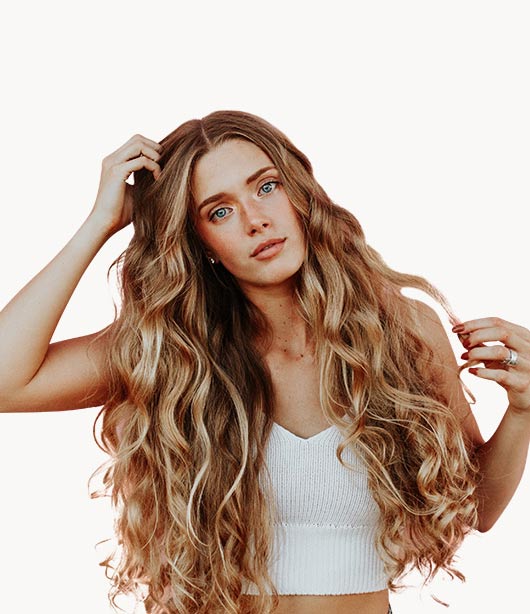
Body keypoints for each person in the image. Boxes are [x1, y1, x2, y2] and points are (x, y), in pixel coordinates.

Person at [0, 110, 529, 614]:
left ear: (300, 194)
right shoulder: (172, 351)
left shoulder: (402, 331)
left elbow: (477, 507)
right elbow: (7, 382)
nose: (256, 220)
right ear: (201, 242)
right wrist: (100, 222)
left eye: (267, 186)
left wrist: (523, 410)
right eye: (220, 211)